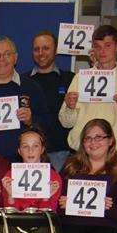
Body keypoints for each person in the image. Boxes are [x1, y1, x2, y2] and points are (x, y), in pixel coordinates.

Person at [59, 25, 117, 152]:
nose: (102, 51)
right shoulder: (80, 78)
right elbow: (66, 123)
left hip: (111, 155)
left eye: (108, 45)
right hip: (80, 152)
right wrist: (70, 108)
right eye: (97, 47)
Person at [25, 30, 74, 171]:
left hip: (61, 153)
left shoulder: (70, 79)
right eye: (36, 49)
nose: (41, 53)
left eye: (46, 48)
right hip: (29, 153)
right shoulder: (23, 81)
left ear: (56, 50)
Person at [1, 128, 62, 211]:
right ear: (19, 151)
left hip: (43, 222)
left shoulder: (54, 178)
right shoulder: (9, 177)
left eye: (35, 146)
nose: (30, 150)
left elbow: (50, 216)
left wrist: (45, 198)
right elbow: (10, 214)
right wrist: (11, 196)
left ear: (42, 149)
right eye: (25, 146)